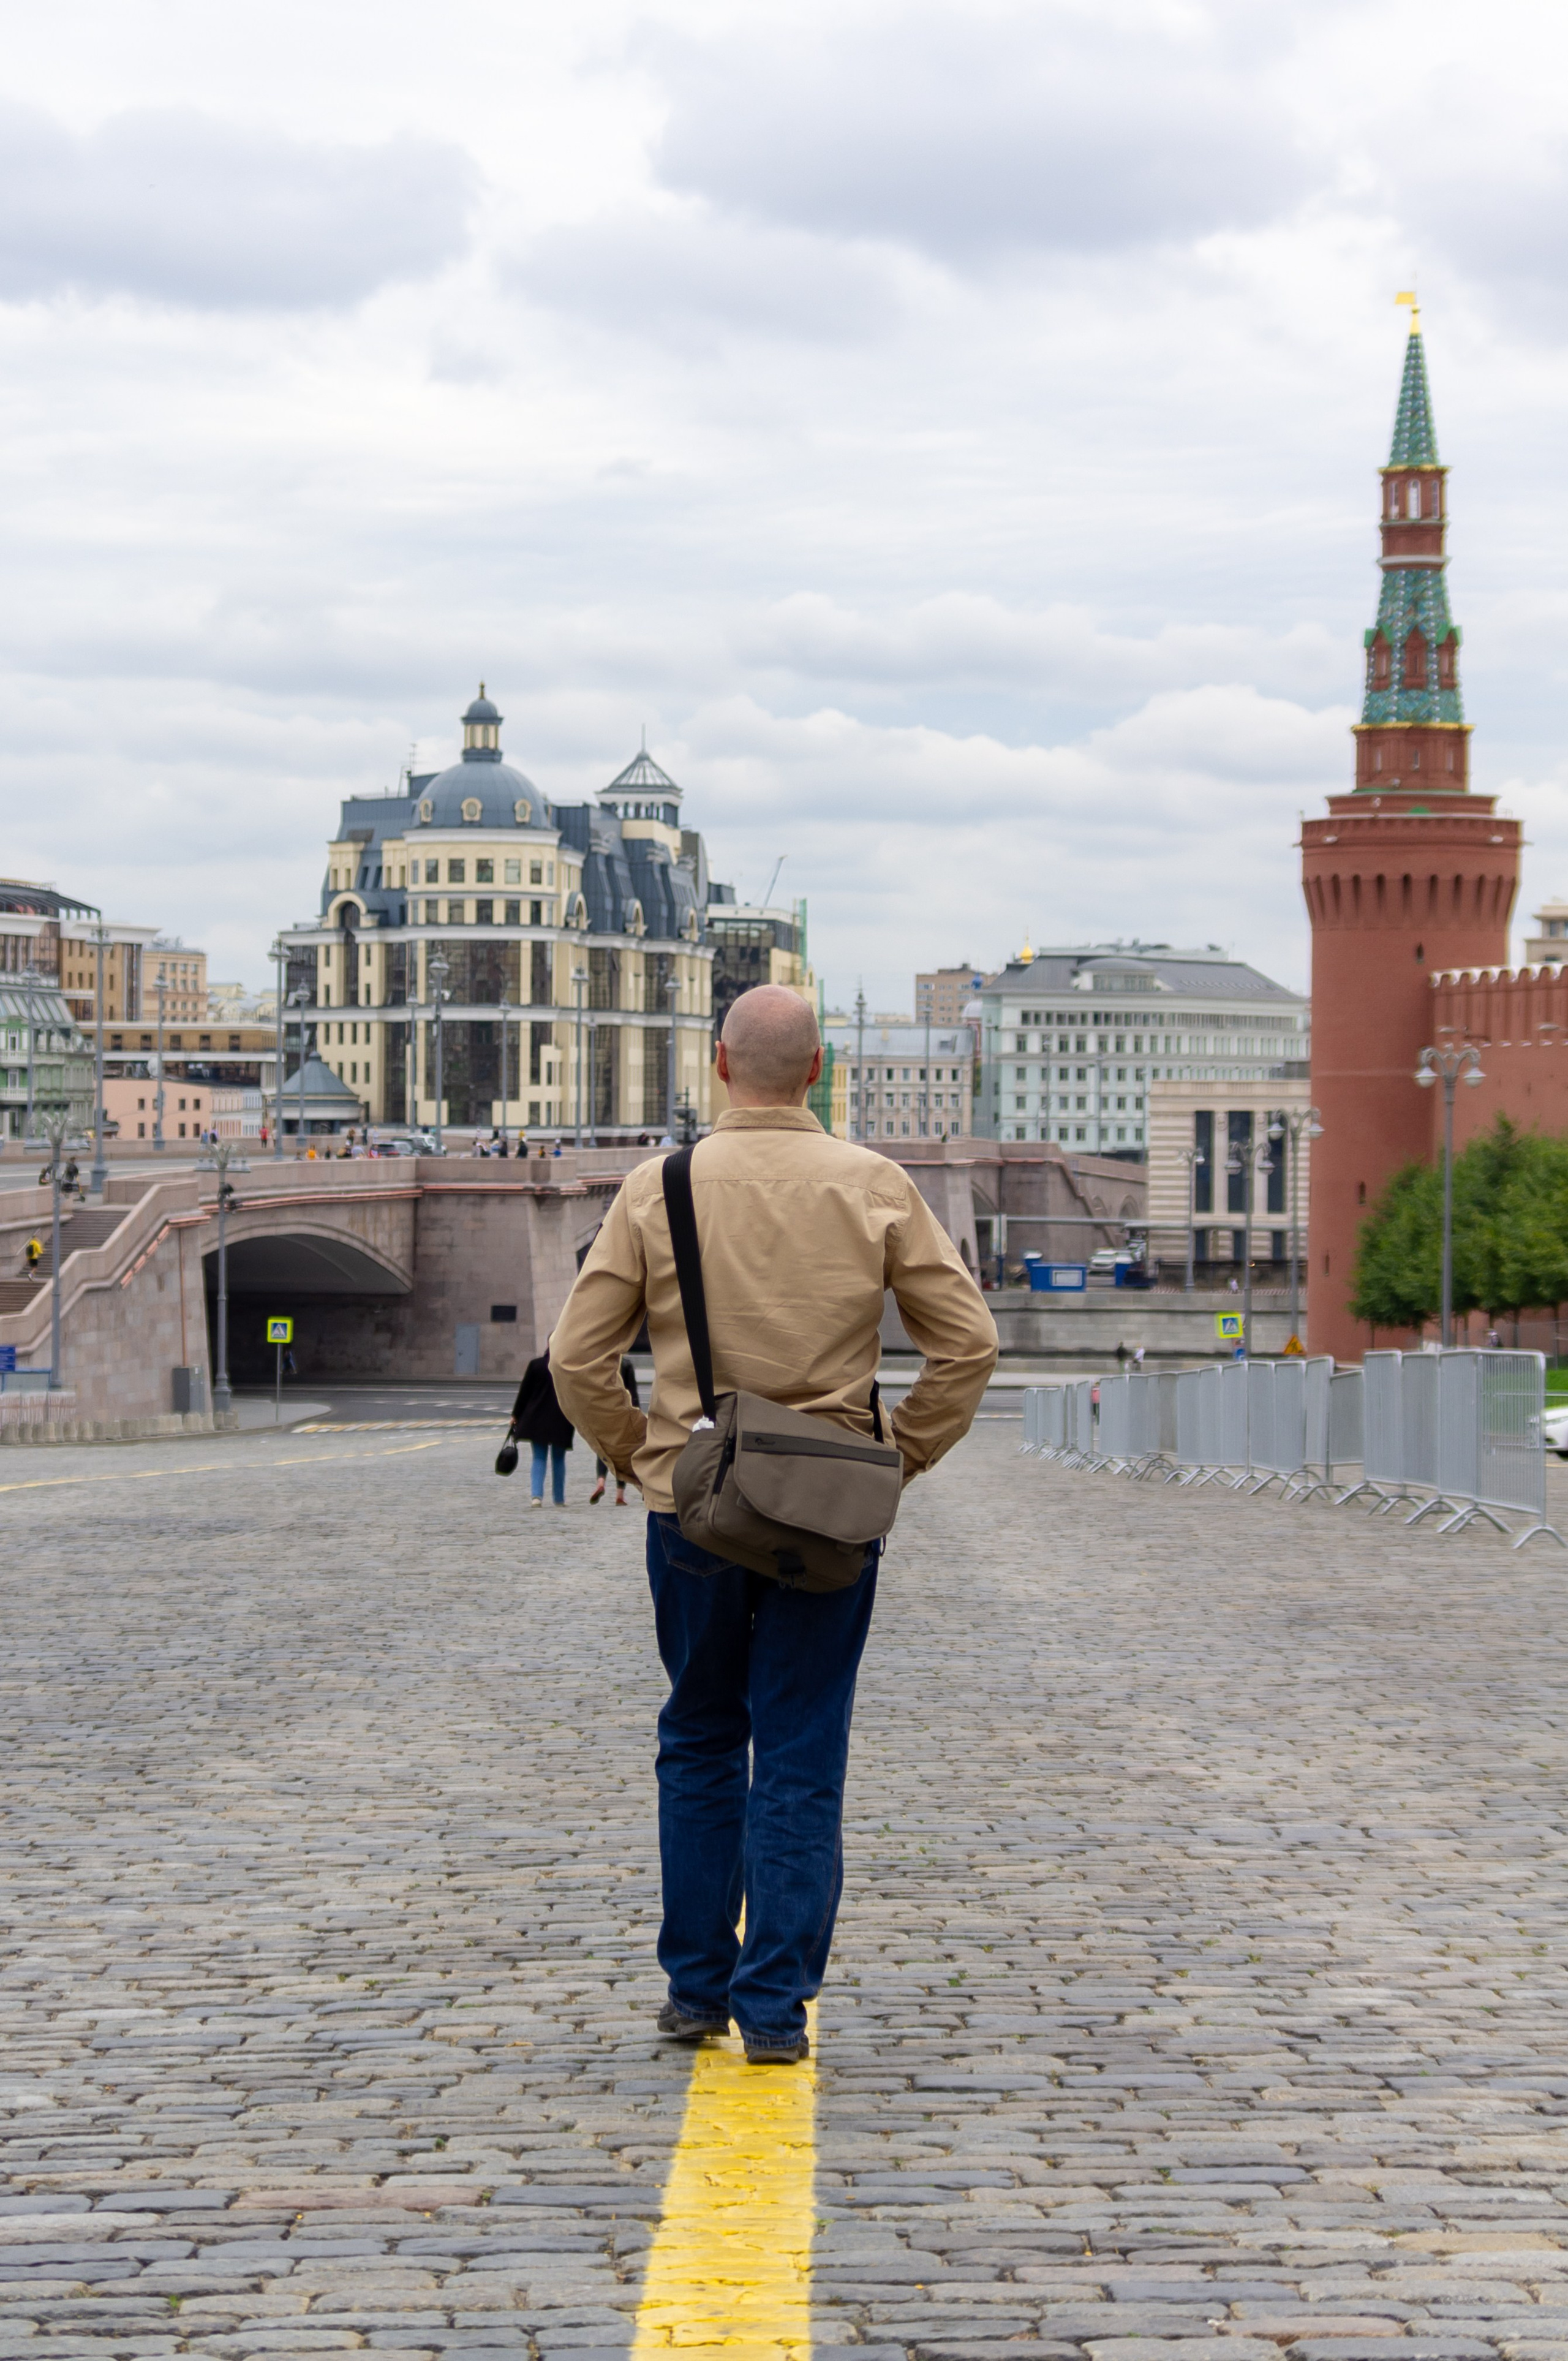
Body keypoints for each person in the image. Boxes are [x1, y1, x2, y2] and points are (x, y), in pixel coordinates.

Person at [550, 984, 997, 2066]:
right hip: (828, 1517)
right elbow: (967, 1343)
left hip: (693, 1507)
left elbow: (574, 1358)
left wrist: (641, 1454)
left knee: (701, 1733)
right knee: (799, 1749)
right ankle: (776, 2007)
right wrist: (899, 1455)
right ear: (815, 1069)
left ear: (717, 1064)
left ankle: (696, 1987)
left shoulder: (660, 1188)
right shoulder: (874, 1184)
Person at [508, 1352, 575, 1507]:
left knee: (539, 1457)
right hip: (562, 1418)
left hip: (537, 1418)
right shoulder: (568, 1366)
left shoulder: (536, 1365)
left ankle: (536, 1497)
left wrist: (516, 1414)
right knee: (559, 1459)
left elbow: (524, 1392)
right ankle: (559, 1499)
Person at [589, 1358, 641, 1503]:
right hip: (623, 1413)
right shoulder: (626, 1364)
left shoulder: (601, 1363)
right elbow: (633, 1392)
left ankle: (601, 1482)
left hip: (604, 1412)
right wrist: (636, 1414)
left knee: (603, 1449)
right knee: (622, 1451)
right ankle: (620, 1495)